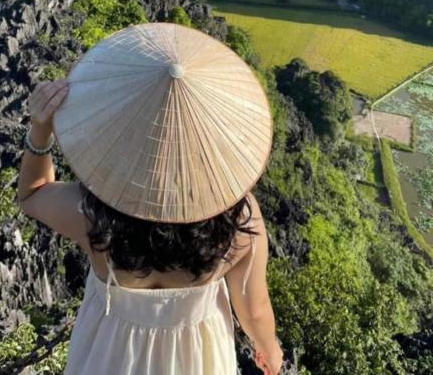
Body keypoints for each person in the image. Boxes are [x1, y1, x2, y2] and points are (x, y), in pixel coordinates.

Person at [17, 23, 284, 374]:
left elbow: (33, 195)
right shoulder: (239, 220)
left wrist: (40, 130)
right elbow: (254, 308)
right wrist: (269, 350)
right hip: (199, 359)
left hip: (110, 355)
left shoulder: (93, 214)